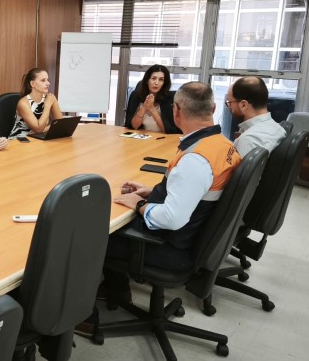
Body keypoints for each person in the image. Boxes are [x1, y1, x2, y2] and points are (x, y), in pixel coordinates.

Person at [76, 82, 241, 337]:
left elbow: (171, 218)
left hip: (169, 247)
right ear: (214, 107)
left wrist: (140, 204)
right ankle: (117, 289)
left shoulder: (196, 159)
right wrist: (153, 192)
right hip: (194, 237)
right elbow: (195, 193)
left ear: (176, 111)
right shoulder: (221, 144)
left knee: (84, 232)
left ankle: (83, 317)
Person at [226, 76, 286, 156]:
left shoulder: (248, 140)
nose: (229, 107)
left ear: (243, 105)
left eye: (230, 103)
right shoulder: (278, 128)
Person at [124, 64, 181, 134]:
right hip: (143, 137)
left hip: (163, 139)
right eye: (153, 78)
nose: (156, 83)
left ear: (164, 83)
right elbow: (133, 127)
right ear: (147, 80)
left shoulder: (169, 98)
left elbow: (168, 130)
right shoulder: (136, 95)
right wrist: (144, 107)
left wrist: (152, 109)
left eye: (161, 80)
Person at [9, 68, 63, 137]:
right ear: (32, 84)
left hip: (39, 138)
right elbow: (38, 129)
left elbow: (60, 124)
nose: (48, 83)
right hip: (20, 140)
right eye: (43, 80)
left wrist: (45, 128)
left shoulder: (50, 98)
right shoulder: (23, 103)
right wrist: (47, 106)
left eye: (47, 80)